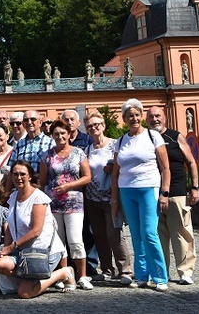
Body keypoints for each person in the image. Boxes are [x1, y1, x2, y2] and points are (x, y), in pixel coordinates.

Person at [111, 98, 171, 291]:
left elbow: (165, 168)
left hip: (148, 187)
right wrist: (114, 198)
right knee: (136, 235)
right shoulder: (121, 141)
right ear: (124, 119)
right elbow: (115, 172)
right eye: (130, 116)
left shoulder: (153, 136)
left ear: (141, 116)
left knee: (149, 233)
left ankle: (160, 276)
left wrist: (164, 193)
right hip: (127, 190)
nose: (134, 119)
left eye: (137, 115)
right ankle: (142, 275)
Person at [0, 161, 75, 298]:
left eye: (22, 174)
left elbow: (36, 231)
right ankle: (29, 278)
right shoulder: (13, 197)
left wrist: (12, 247)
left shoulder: (39, 198)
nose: (18, 177)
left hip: (41, 251)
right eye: (15, 174)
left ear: (30, 176)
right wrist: (6, 248)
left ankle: (63, 273)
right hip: (22, 251)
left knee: (25, 293)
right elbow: (9, 227)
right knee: (0, 263)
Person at [147, 106, 199, 285]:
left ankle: (185, 272)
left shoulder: (175, 136)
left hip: (176, 192)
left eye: (158, 116)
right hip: (153, 193)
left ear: (165, 118)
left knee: (181, 233)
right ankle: (162, 272)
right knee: (158, 235)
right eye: (151, 117)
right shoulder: (145, 138)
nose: (155, 119)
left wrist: (195, 187)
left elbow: (191, 162)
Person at [39, 120, 92, 290]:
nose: (60, 136)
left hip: (74, 203)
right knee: (58, 242)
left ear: (69, 134)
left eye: (63, 133)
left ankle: (82, 276)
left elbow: (87, 177)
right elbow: (42, 181)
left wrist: (69, 186)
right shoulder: (46, 156)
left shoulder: (78, 153)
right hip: (53, 204)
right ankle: (63, 275)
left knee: (76, 240)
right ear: (52, 136)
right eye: (56, 134)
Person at [83, 112, 132, 284]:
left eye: (96, 124)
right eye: (90, 126)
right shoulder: (87, 149)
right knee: (100, 235)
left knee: (115, 234)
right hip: (92, 198)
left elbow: (124, 164)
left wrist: (113, 167)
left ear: (103, 125)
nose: (94, 128)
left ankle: (125, 269)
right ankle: (107, 269)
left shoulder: (114, 145)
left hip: (112, 196)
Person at [6, 110, 54, 191]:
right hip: (22, 191)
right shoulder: (19, 145)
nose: (29, 122)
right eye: (25, 120)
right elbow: (11, 171)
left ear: (40, 122)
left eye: (33, 119)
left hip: (44, 190)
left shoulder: (51, 143)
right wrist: (6, 193)